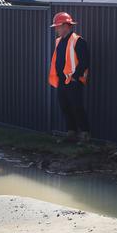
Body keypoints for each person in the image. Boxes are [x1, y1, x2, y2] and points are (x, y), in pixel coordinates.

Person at [48, 11, 90, 142]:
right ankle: (71, 133)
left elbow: (85, 61)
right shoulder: (59, 41)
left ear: (66, 26)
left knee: (77, 107)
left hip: (73, 82)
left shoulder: (78, 41)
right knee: (65, 107)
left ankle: (85, 134)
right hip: (62, 81)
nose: (56, 29)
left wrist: (75, 77)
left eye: (58, 26)